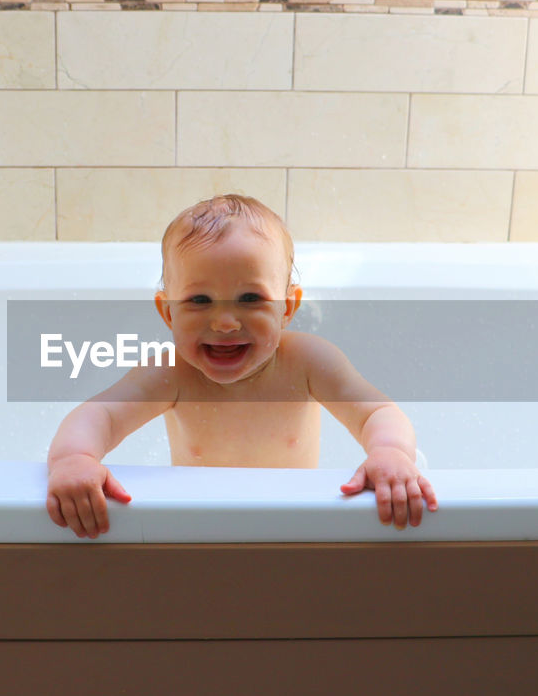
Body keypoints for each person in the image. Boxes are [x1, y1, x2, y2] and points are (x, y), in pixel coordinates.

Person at [46, 194, 438, 539]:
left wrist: (389, 452)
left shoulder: (307, 363)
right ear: (167, 313)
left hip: (297, 522)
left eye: (250, 298)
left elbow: (378, 412)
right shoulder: (170, 373)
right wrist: (75, 458)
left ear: (287, 308)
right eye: (199, 301)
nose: (225, 322)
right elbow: (99, 418)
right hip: (198, 523)